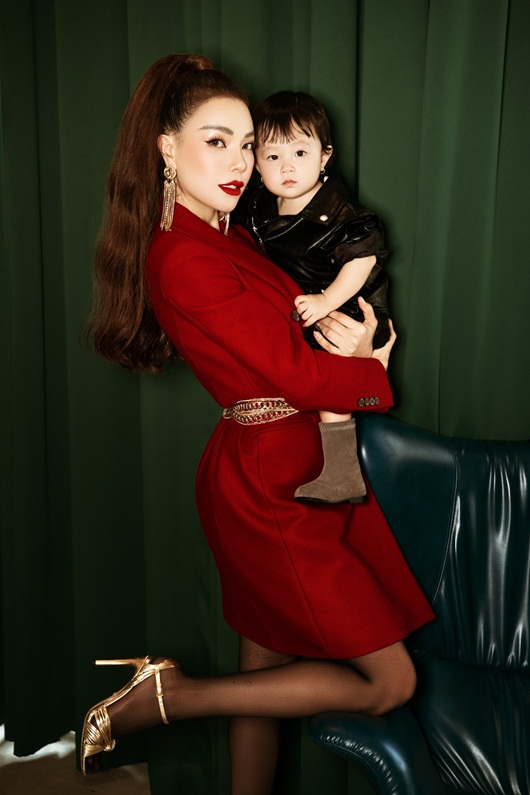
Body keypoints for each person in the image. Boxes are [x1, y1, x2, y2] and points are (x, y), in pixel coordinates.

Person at [83, 54, 434, 795]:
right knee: (391, 680)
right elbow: (296, 374)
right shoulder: (182, 257)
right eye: (217, 141)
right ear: (166, 147)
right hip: (271, 482)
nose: (242, 163)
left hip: (284, 463)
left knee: (262, 664)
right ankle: (170, 697)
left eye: (248, 144)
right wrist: (370, 370)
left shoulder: (230, 235)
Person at [248, 90, 390, 504]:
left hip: (347, 309)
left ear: (325, 156)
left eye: (300, 152)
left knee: (330, 381)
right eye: (273, 156)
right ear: (256, 162)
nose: (287, 166)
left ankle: (343, 475)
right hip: (306, 309)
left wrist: (327, 300)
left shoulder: (345, 216)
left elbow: (362, 261)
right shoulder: (258, 207)